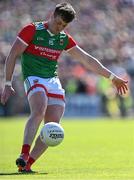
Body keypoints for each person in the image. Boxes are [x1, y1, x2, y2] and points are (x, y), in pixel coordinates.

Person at [1, 2, 128, 173]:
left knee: (52, 127)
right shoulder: (32, 30)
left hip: (53, 81)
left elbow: (87, 60)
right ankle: (24, 154)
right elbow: (12, 55)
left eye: (64, 25)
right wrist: (7, 84)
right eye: (58, 22)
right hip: (34, 77)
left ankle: (27, 164)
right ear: (52, 15)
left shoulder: (63, 39)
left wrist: (112, 77)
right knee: (39, 109)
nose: (59, 27)